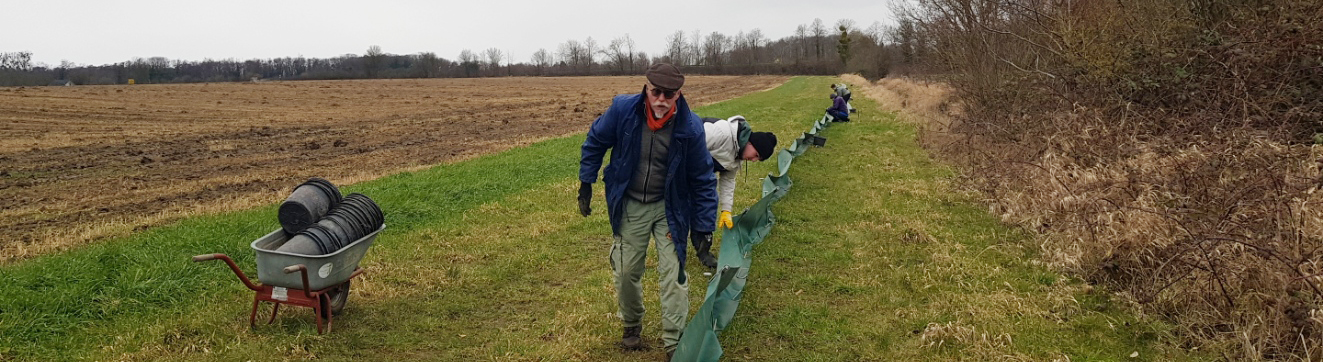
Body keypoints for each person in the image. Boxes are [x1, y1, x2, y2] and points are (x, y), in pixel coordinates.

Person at [578, 63, 718, 357]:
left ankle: (673, 343)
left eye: (669, 94)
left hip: (670, 209)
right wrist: (586, 182)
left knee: (673, 277)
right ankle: (631, 325)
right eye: (656, 92)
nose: (661, 99)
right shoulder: (622, 110)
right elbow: (595, 141)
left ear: (678, 95)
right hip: (631, 204)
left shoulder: (690, 128)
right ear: (646, 88)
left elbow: (703, 178)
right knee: (626, 270)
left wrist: (704, 225)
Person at [692, 115, 777, 268]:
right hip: (682, 161)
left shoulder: (737, 157)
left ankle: (703, 250)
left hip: (700, 174)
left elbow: (728, 181)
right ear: (750, 143)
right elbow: (689, 142)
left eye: (758, 159)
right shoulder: (722, 133)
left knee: (709, 200)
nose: (753, 160)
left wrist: (726, 210)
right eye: (756, 155)